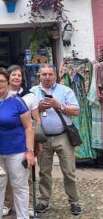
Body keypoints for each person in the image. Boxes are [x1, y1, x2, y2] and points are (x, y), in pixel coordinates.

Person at [0, 67, 34, 219]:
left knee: (20, 186)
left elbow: (29, 128)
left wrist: (30, 151)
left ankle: (23, 217)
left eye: (2, 81)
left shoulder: (17, 101)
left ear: (7, 82)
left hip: (16, 150)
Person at [30, 64, 81, 216]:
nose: (46, 77)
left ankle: (74, 201)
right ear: (39, 76)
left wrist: (59, 105)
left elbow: (76, 111)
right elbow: (25, 113)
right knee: (44, 172)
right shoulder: (33, 92)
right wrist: (38, 108)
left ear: (55, 75)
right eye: (44, 74)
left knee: (69, 171)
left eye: (50, 74)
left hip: (63, 135)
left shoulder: (65, 90)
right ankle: (44, 200)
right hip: (42, 137)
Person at [3, 64, 42, 216]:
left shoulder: (30, 95)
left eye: (19, 75)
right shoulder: (2, 94)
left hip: (26, 138)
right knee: (7, 173)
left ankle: (30, 205)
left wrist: (38, 140)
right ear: (8, 77)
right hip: (8, 138)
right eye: (13, 75)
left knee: (28, 172)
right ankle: (8, 203)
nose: (16, 78)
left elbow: (36, 118)